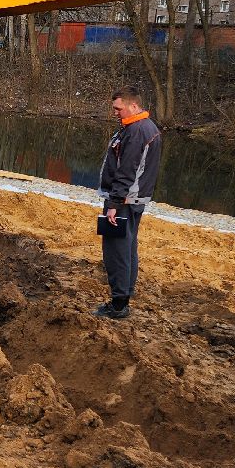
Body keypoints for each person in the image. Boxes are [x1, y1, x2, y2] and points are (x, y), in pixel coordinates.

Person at [95, 87, 163, 321]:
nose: (115, 113)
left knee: (116, 251)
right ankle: (124, 297)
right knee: (128, 248)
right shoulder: (146, 127)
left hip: (123, 201)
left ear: (133, 106)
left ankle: (119, 304)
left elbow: (127, 171)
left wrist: (114, 203)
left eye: (118, 108)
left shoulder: (135, 132)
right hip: (133, 199)